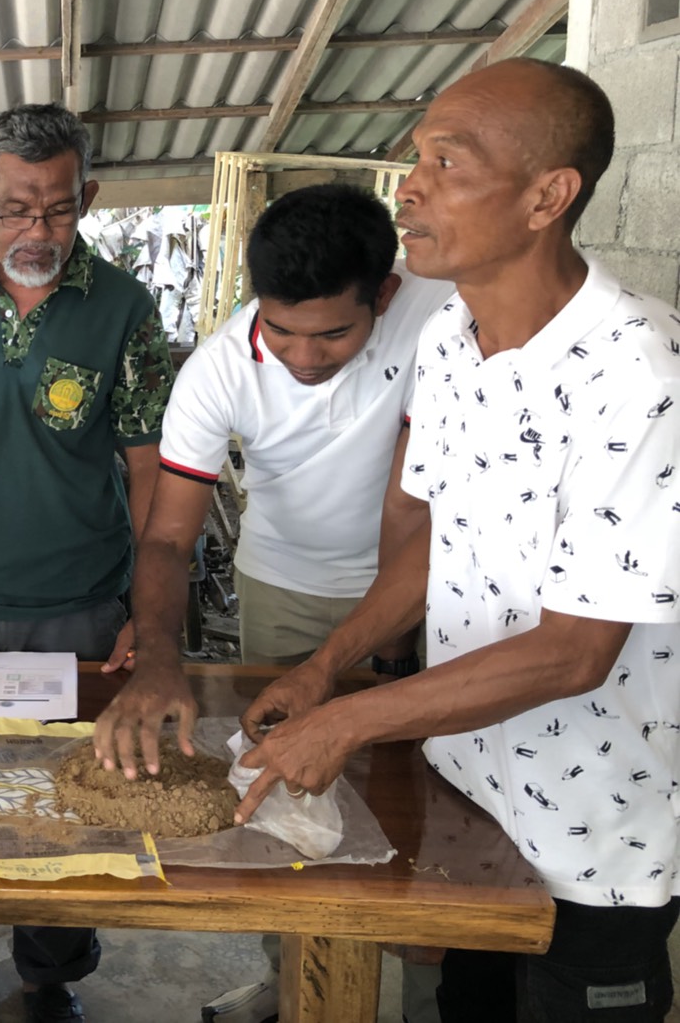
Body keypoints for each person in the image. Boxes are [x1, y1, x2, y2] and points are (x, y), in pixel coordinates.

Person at [119, 59, 680, 1021]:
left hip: (593, 825)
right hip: (473, 784)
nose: (410, 187)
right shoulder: (453, 339)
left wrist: (349, 720)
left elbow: (577, 652)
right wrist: (325, 668)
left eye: (447, 163)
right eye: (417, 157)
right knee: (464, 1001)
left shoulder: (642, 375)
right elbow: (436, 539)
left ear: (548, 196)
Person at [95, 182, 453, 1023]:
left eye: (332, 333)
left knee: (428, 795)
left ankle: (433, 990)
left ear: (384, 294)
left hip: (437, 587)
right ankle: (290, 973)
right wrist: (159, 659)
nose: (303, 356)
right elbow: (167, 538)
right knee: (275, 793)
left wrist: (387, 649)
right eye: (281, 329)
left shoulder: (444, 317)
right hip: (284, 588)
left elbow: (423, 509)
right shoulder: (220, 368)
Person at [0, 102, 173, 1022]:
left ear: (88, 197)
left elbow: (148, 467)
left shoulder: (124, 309)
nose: (37, 230)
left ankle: (50, 979)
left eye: (58, 208)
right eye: (17, 208)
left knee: (69, 801)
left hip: (80, 606)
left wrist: (147, 609)